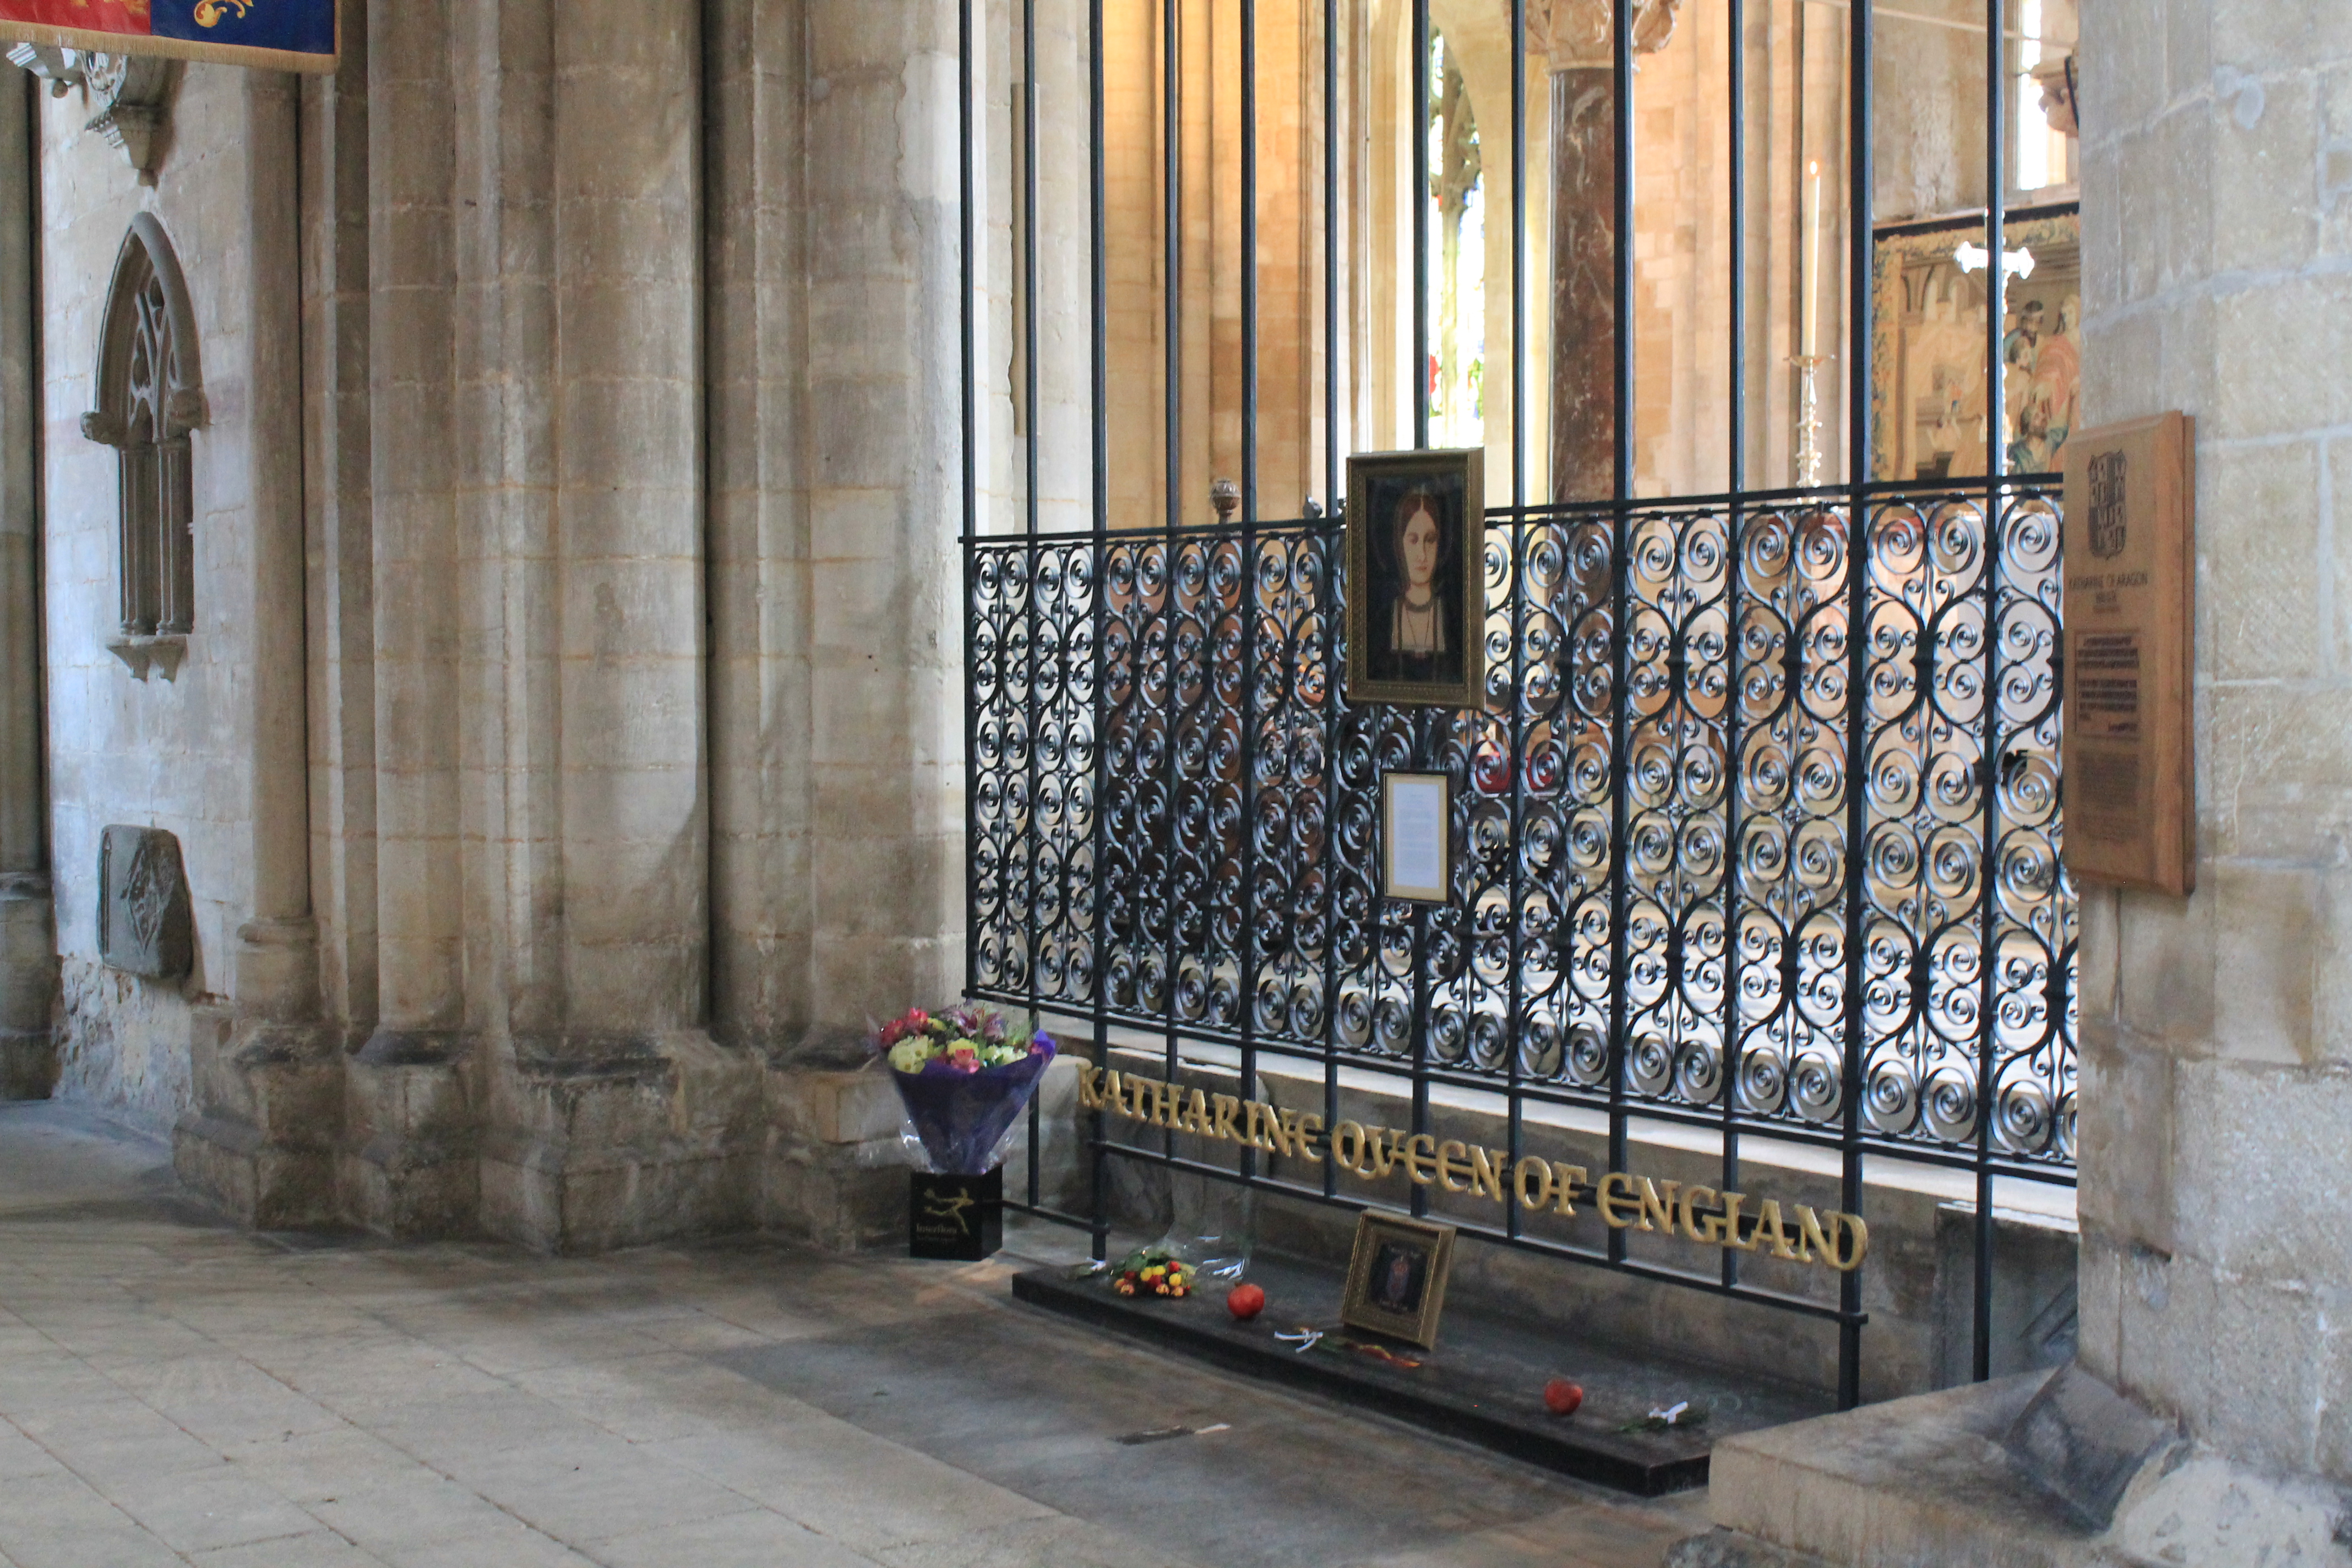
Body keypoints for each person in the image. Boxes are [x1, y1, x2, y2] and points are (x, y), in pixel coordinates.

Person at [1374, 489, 1459, 685]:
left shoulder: (1452, 616)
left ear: (1440, 544)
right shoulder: (1384, 618)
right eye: (1413, 540)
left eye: (1430, 540)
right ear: (1399, 544)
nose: (1422, 554)